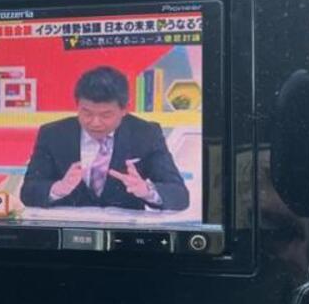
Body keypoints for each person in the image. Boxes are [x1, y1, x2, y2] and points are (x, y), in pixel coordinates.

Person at [20, 66, 189, 211]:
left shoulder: (146, 134)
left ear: (125, 109)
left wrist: (147, 191)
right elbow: (28, 192)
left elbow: (180, 195)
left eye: (106, 115)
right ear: (77, 105)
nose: (95, 122)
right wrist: (58, 189)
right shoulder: (53, 134)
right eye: (86, 113)